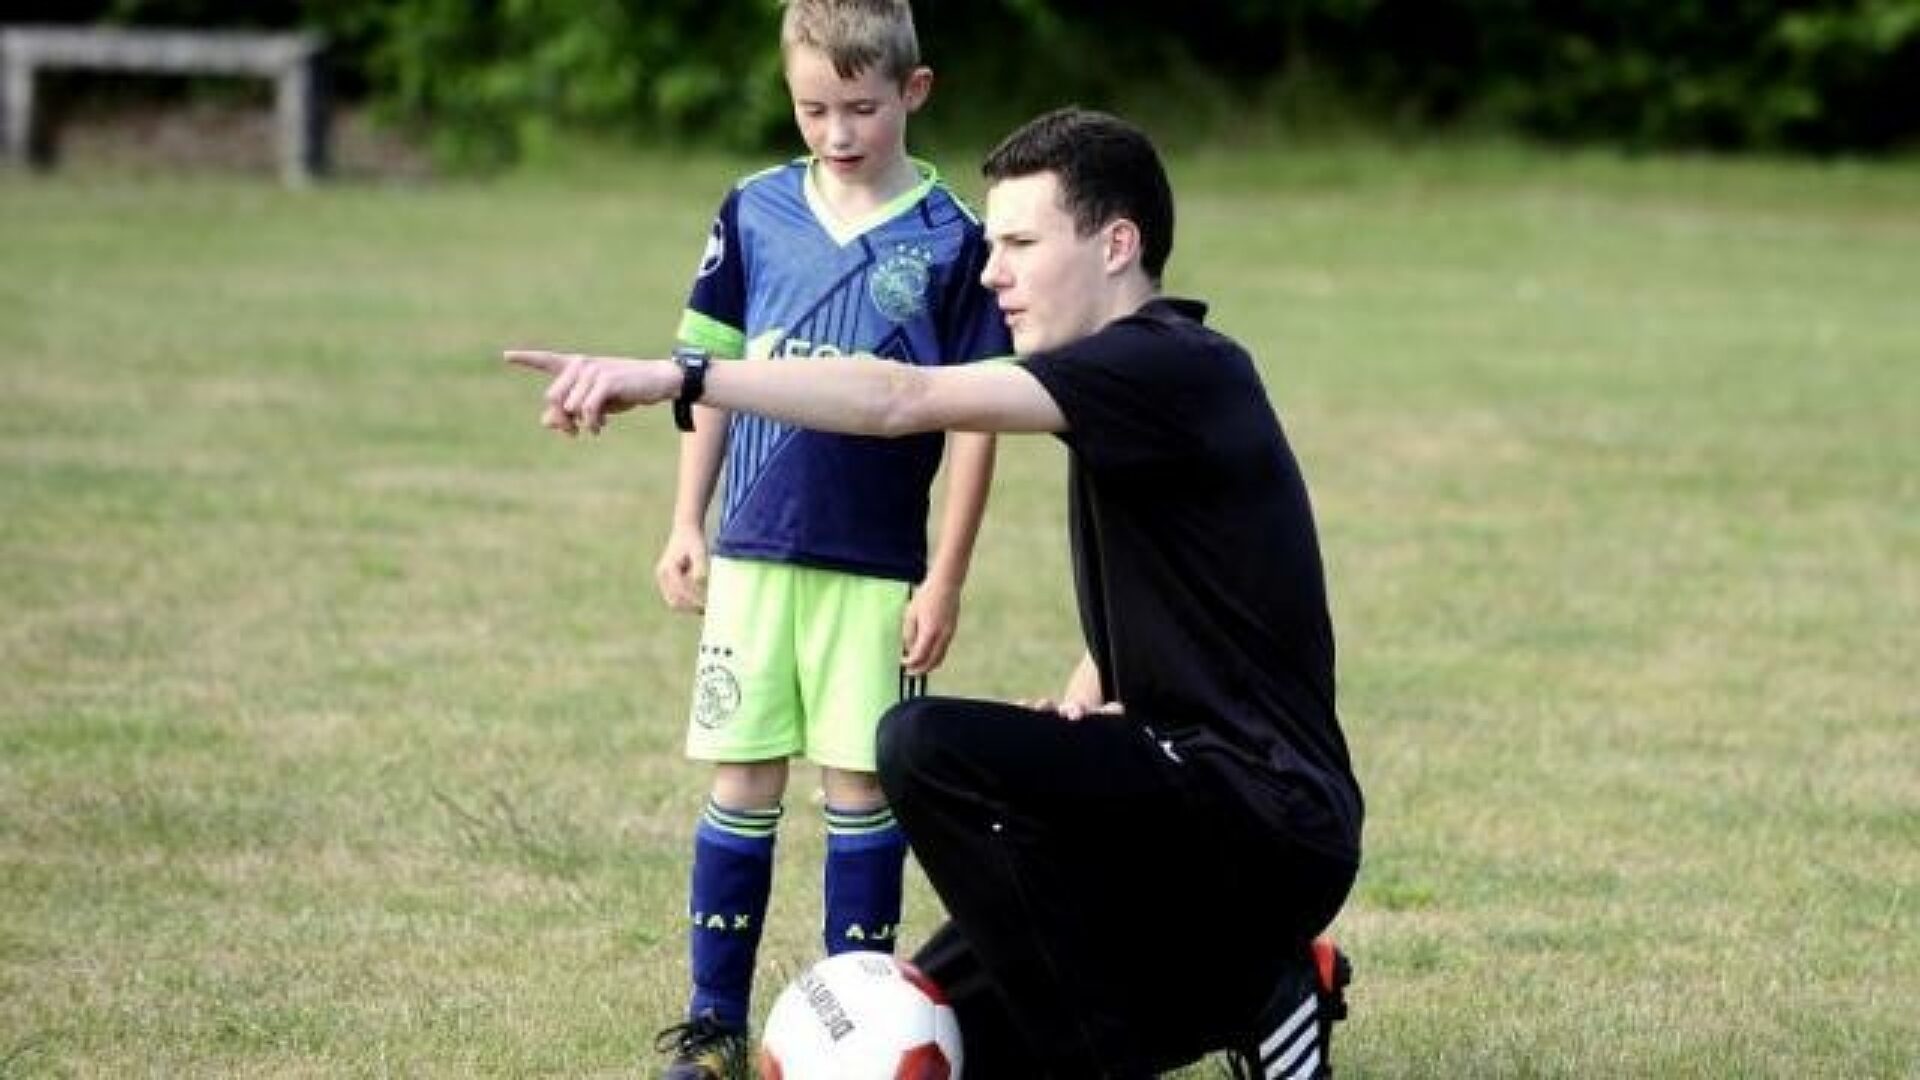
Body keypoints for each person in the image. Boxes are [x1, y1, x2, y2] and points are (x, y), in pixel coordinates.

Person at [510, 106, 1363, 1079]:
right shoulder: (1130, 386)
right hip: (1182, 803)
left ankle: (1187, 1009)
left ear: (1117, 245)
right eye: (992, 245)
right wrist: (1086, 699)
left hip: (1266, 821)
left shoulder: (1169, 365)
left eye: (1021, 244)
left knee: (922, 745)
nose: (992, 271)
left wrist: (680, 378)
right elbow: (1189, 582)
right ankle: (1268, 986)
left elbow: (899, 398)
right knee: (938, 1022)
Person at [604, 2, 1008, 1076]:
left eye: (861, 108)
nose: (837, 131)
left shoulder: (954, 237)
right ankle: (713, 1024)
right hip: (752, 555)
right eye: (813, 108)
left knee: (861, 792)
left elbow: (978, 421)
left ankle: (856, 1028)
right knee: (740, 783)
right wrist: (685, 521)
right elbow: (705, 377)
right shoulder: (754, 209)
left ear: (914, 92)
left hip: (876, 571)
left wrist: (946, 578)